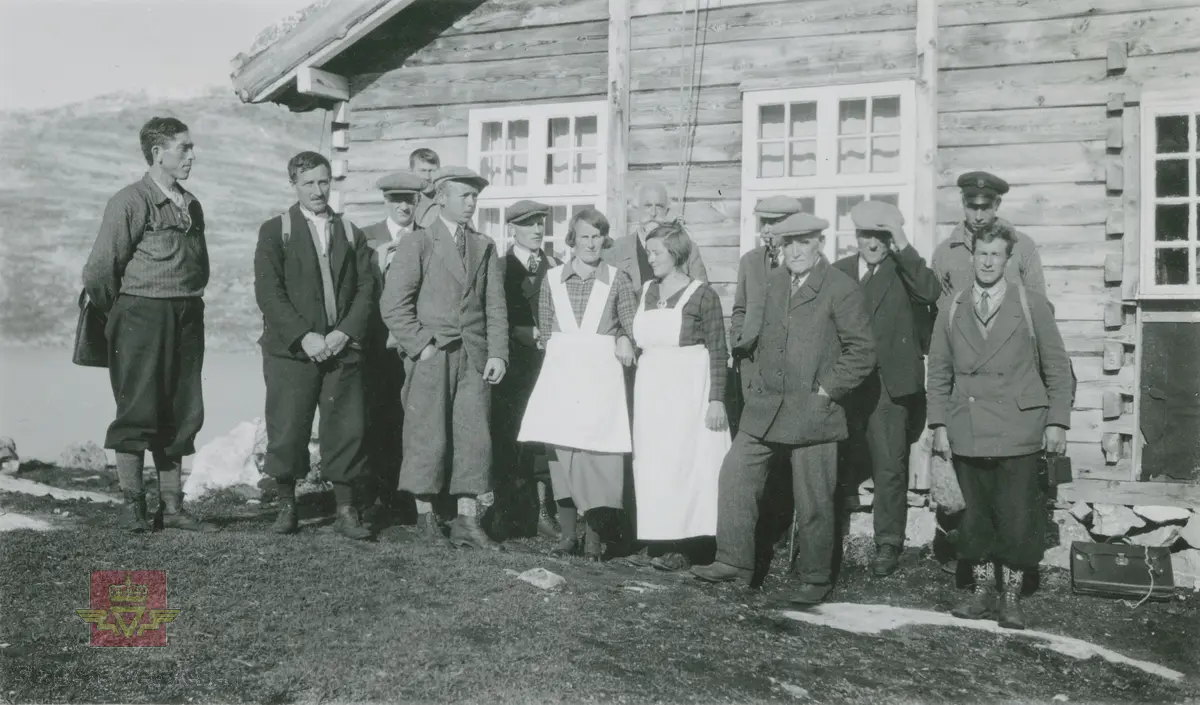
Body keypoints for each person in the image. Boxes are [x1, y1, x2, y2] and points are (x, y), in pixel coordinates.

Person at [691, 213, 876, 606]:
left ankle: (814, 578)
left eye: (804, 242)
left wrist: (828, 389)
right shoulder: (774, 283)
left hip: (813, 410)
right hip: (767, 404)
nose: (795, 250)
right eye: (787, 243)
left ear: (819, 244)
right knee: (735, 473)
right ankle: (733, 562)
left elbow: (863, 352)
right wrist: (755, 381)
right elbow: (757, 337)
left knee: (813, 497)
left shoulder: (841, 288)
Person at [926, 223, 1073, 630]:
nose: (988, 262)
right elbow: (938, 372)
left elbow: (1058, 368)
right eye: (981, 254)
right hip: (967, 427)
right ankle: (981, 591)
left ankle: (1010, 596)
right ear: (971, 256)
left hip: (1019, 427)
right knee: (975, 516)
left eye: (996, 255)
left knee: (1016, 515)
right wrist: (938, 422)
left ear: (1009, 260)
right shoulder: (952, 308)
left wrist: (1057, 421)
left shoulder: (1031, 306)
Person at [83, 116, 210, 533]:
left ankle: (172, 508)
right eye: (184, 148)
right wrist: (122, 313)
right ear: (158, 153)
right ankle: (132, 507)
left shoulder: (190, 203)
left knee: (182, 409)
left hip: (187, 314)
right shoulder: (130, 201)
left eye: (191, 148)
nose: (192, 155)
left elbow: (200, 266)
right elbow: (101, 270)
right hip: (141, 316)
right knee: (137, 409)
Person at [380, 166, 508, 550]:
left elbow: (495, 306)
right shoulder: (419, 242)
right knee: (427, 434)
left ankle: (466, 521)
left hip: (473, 356)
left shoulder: (484, 245)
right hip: (432, 356)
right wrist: (422, 346)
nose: (471, 203)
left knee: (474, 436)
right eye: (464, 196)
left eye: (475, 197)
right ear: (442, 198)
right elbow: (393, 304)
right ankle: (426, 519)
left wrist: (498, 353)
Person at [253, 151, 376, 540]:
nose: (318, 190)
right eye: (308, 183)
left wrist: (344, 332)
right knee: (287, 427)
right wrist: (304, 336)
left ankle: (345, 510)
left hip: (342, 348)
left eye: (324, 182)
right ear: (294, 184)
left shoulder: (351, 233)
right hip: (292, 351)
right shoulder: (276, 231)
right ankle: (287, 507)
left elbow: (366, 289)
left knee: (346, 429)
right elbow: (269, 293)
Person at [518, 208, 639, 560]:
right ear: (573, 239)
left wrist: (623, 337)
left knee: (598, 455)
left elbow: (631, 326)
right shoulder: (553, 280)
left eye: (597, 236)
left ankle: (595, 536)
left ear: (605, 239)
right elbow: (547, 329)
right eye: (584, 236)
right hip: (564, 375)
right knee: (564, 454)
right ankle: (568, 535)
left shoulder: (617, 278)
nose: (590, 243)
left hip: (602, 377)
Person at [832, 200, 940, 577]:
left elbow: (929, 292)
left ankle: (888, 544)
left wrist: (902, 243)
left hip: (888, 387)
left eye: (882, 236)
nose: (873, 244)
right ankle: (826, 539)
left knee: (889, 467)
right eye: (866, 235)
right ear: (856, 237)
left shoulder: (904, 270)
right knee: (832, 460)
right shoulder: (840, 271)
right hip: (847, 383)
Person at [630, 223, 731, 572]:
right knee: (655, 465)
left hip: (689, 392)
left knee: (689, 465)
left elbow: (719, 351)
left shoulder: (702, 295)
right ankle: (658, 542)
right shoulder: (644, 292)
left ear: (676, 254)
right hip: (652, 394)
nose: (650, 258)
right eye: (648, 252)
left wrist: (716, 400)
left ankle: (690, 546)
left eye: (656, 252)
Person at [488, 199, 562, 541]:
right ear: (512, 228)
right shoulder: (498, 268)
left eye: (540, 223)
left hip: (546, 366)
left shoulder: (557, 267)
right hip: (511, 365)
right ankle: (506, 509)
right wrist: (518, 334)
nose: (536, 230)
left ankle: (542, 511)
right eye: (528, 224)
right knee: (508, 435)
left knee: (542, 439)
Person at [359, 171, 429, 528]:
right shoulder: (366, 238)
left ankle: (410, 500)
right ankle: (376, 499)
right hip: (377, 347)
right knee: (378, 420)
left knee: (413, 422)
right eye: (396, 199)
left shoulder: (427, 237)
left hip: (416, 346)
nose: (404, 205)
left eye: (410, 199)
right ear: (385, 201)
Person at [730, 196, 804, 421]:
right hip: (752, 364)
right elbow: (740, 308)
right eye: (764, 223)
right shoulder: (749, 262)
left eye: (775, 223)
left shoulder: (804, 262)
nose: (767, 230)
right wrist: (738, 342)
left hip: (790, 365)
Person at [932, 171, 1046, 310]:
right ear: (963, 202)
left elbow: (1040, 307)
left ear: (997, 204)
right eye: (972, 207)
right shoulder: (945, 252)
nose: (978, 216)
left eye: (985, 207)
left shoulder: (1022, 245)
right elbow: (939, 313)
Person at [603, 181, 708, 289]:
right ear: (637, 210)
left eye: (659, 206)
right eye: (647, 206)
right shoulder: (618, 250)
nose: (653, 213)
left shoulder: (689, 249)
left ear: (666, 211)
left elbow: (702, 295)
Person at [409, 148, 441, 229]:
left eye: (432, 171)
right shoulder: (403, 201)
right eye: (422, 171)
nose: (427, 177)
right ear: (411, 172)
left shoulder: (447, 203)